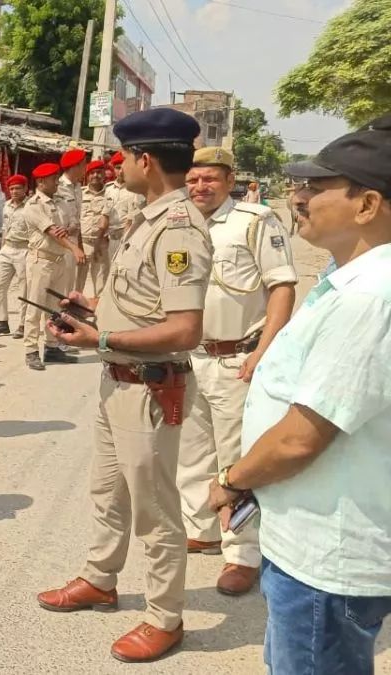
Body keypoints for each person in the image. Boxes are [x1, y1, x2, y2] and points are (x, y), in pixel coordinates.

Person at [207, 117, 391, 674]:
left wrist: (232, 481)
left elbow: (299, 439)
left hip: (328, 556)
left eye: (316, 187)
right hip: (309, 540)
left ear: (367, 205)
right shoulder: (350, 279)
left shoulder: (369, 297)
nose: (298, 197)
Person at [37, 107, 211, 663]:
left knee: (155, 508)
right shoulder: (148, 218)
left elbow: (185, 327)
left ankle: (165, 616)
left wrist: (99, 341)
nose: (118, 168)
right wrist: (91, 308)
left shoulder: (179, 227)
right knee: (107, 492)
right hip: (119, 382)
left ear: (146, 160)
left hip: (149, 388)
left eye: (125, 158)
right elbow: (141, 302)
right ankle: (100, 578)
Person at [175, 146, 298, 596]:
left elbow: (282, 286)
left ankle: (242, 552)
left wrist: (264, 351)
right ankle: (202, 528)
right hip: (190, 358)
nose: (199, 187)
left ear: (229, 180)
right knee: (190, 454)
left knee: (236, 459)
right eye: (192, 180)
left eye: (209, 179)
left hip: (235, 359)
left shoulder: (254, 221)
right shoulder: (180, 223)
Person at [21, 163, 84, 371]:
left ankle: (52, 346)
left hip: (59, 260)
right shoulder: (33, 205)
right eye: (53, 179)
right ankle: (31, 350)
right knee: (36, 306)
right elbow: (53, 232)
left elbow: (70, 225)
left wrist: (70, 238)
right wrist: (74, 248)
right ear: (41, 182)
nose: (57, 181)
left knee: (56, 307)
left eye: (57, 177)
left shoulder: (61, 201)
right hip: (41, 261)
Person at [0, 174, 30, 339]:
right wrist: (2, 249)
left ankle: (24, 324)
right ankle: (1, 322)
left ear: (25, 189)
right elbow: (5, 228)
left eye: (18, 188)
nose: (14, 191)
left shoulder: (31, 206)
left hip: (24, 249)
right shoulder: (7, 206)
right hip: (7, 249)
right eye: (11, 189)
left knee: (24, 290)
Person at [78, 160, 115, 295]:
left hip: (103, 244)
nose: (95, 175)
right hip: (82, 243)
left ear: (104, 174)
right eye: (92, 173)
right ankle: (75, 309)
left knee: (100, 280)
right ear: (87, 176)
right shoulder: (80, 193)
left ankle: (97, 310)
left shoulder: (111, 193)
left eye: (99, 172)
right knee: (78, 280)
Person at [57, 148, 89, 297]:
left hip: (74, 240)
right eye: (84, 164)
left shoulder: (77, 188)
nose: (85, 168)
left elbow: (78, 218)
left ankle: (66, 314)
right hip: (60, 240)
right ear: (75, 166)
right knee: (59, 283)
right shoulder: (57, 187)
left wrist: (80, 243)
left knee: (70, 282)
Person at [105, 151, 145, 261]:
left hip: (129, 239)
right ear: (113, 169)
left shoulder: (136, 190)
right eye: (117, 168)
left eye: (123, 167)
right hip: (110, 240)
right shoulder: (108, 189)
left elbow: (135, 218)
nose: (121, 171)